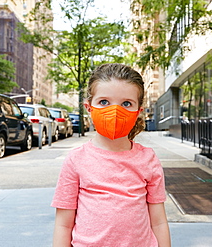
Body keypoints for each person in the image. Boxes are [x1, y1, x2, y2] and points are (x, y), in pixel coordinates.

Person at [51, 63, 171, 247]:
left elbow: (159, 221)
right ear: (89, 107)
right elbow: (63, 225)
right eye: (104, 102)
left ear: (139, 112)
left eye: (126, 103)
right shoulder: (76, 160)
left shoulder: (148, 159)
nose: (115, 111)